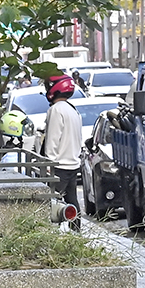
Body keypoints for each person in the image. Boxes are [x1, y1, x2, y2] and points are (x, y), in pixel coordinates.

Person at [42, 74, 82, 228]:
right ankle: (76, 232)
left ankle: (50, 234)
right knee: (72, 201)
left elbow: (53, 140)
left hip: (59, 166)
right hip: (72, 163)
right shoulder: (73, 110)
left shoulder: (56, 110)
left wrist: (48, 164)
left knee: (51, 204)